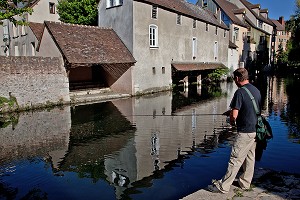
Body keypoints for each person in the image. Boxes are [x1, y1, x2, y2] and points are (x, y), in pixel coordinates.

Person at [208, 67, 261, 193]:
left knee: (235, 159)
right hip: (255, 130)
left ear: (237, 78)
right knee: (249, 158)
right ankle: (245, 183)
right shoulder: (256, 90)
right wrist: (232, 111)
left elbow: (234, 116)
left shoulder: (240, 92)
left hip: (244, 131)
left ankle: (223, 187)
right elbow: (251, 108)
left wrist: (231, 121)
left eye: (234, 79)